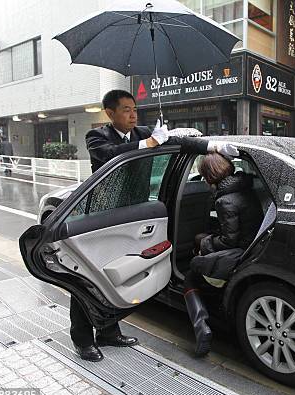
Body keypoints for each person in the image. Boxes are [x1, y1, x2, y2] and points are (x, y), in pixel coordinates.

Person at [72, 89, 239, 362]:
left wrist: (213, 147)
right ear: (110, 113)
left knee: (119, 277)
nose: (133, 114)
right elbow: (110, 155)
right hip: (104, 217)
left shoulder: (143, 132)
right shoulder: (98, 137)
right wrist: (149, 144)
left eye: (135, 108)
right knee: (90, 277)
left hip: (133, 216)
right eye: (126, 109)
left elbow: (180, 142)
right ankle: (82, 338)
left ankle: (108, 331)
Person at [184, 153, 264, 356]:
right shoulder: (245, 187)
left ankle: (201, 327)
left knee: (191, 273)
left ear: (209, 176)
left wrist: (203, 243)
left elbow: (229, 241)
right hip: (253, 247)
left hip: (239, 253)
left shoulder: (224, 201)